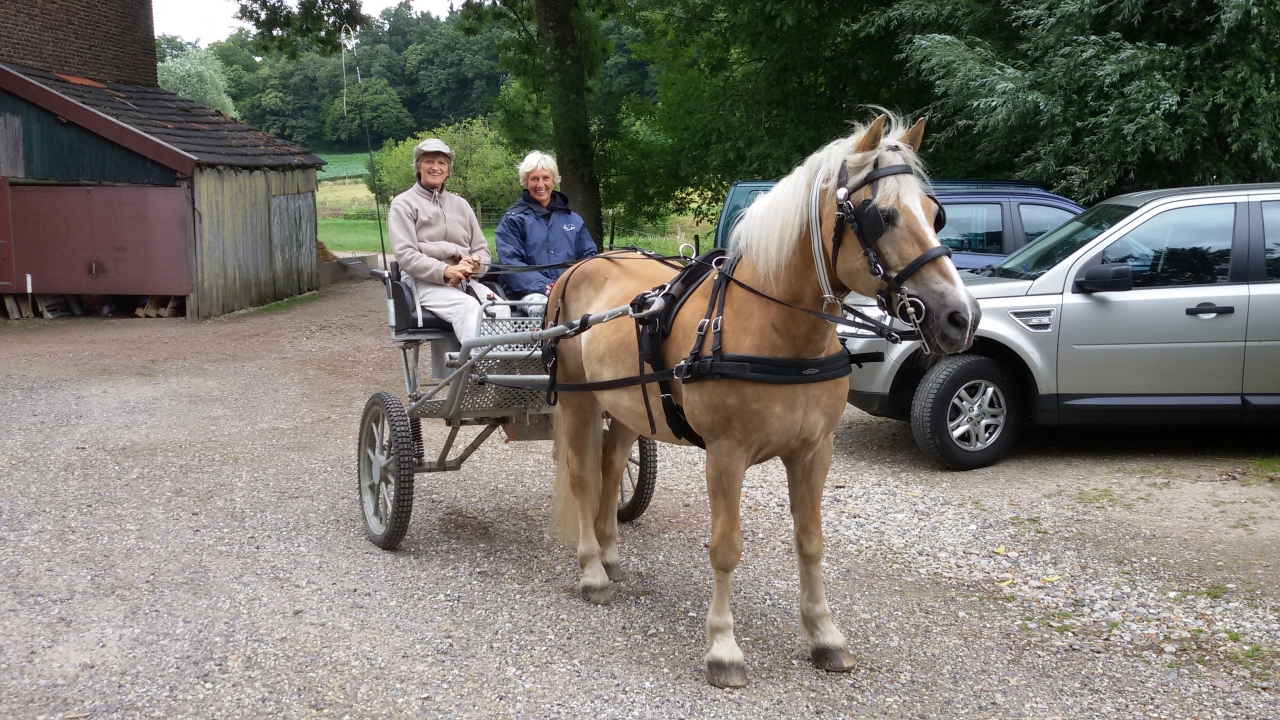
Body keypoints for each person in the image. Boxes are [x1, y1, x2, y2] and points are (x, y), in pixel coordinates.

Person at [387, 138, 508, 342]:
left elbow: (482, 250)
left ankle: (497, 362)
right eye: (429, 161)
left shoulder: (461, 205)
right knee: (468, 307)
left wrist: (475, 263)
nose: (435, 167)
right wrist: (445, 270)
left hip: (465, 281)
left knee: (501, 308)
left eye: (441, 163)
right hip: (423, 282)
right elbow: (406, 255)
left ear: (448, 171)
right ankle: (479, 362)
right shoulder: (403, 204)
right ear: (418, 167)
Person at [495, 151, 597, 316]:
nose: (540, 184)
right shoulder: (513, 219)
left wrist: (570, 285)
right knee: (544, 308)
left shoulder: (574, 220)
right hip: (530, 294)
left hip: (571, 290)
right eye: (534, 179)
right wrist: (546, 287)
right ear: (526, 182)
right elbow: (511, 264)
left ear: (554, 180)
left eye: (546, 178)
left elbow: (589, 259)